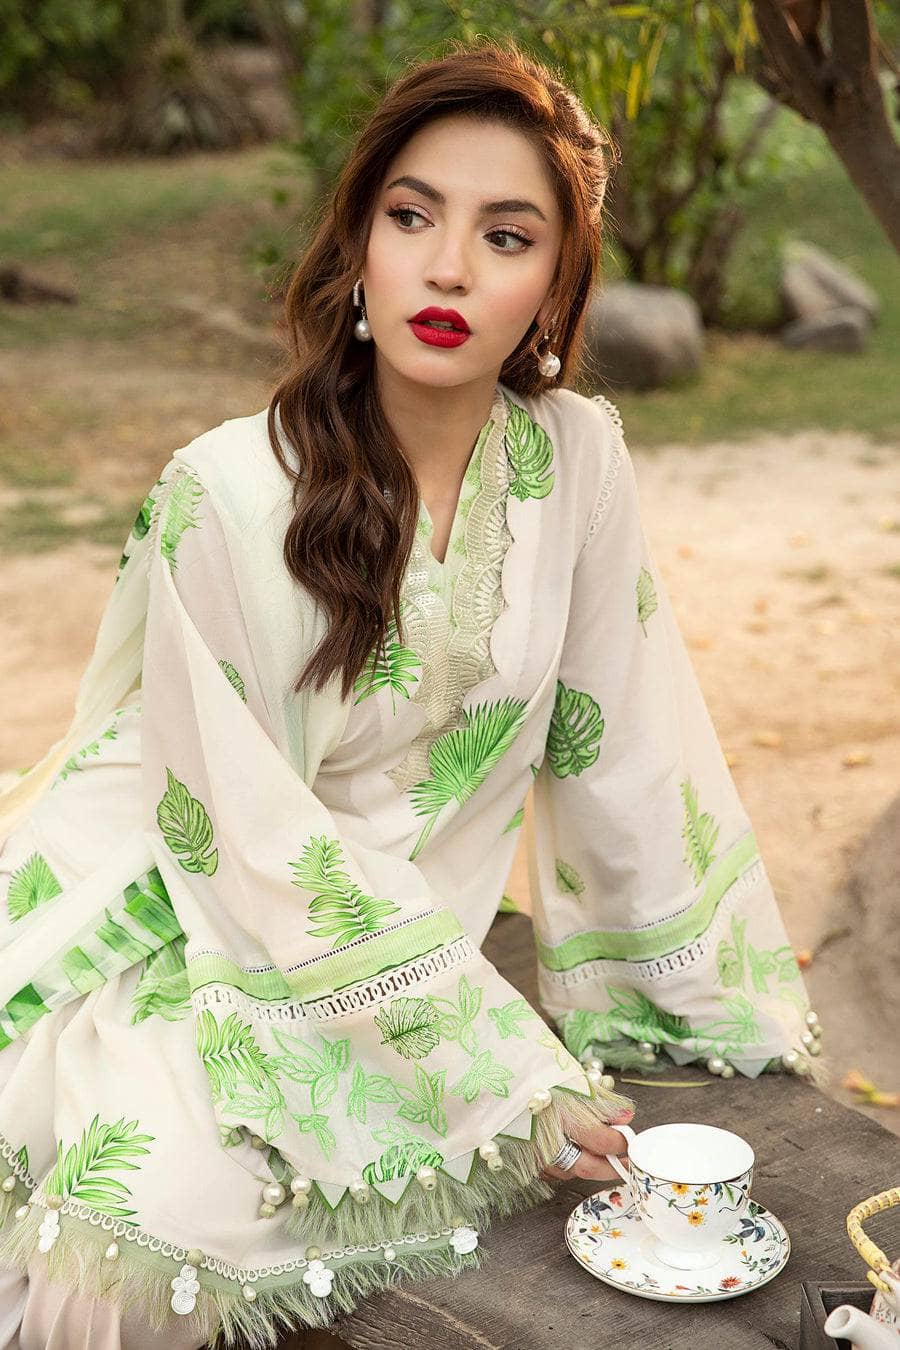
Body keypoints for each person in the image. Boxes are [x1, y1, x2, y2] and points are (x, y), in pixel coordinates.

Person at [0, 37, 818, 1349]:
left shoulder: (577, 459)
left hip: (402, 918)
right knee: (172, 1215)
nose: (448, 267)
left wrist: (702, 1004)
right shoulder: (228, 492)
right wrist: (505, 1072)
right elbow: (250, 840)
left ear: (557, 280)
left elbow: (625, 742)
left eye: (507, 235)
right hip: (201, 901)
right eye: (412, 216)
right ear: (360, 246)